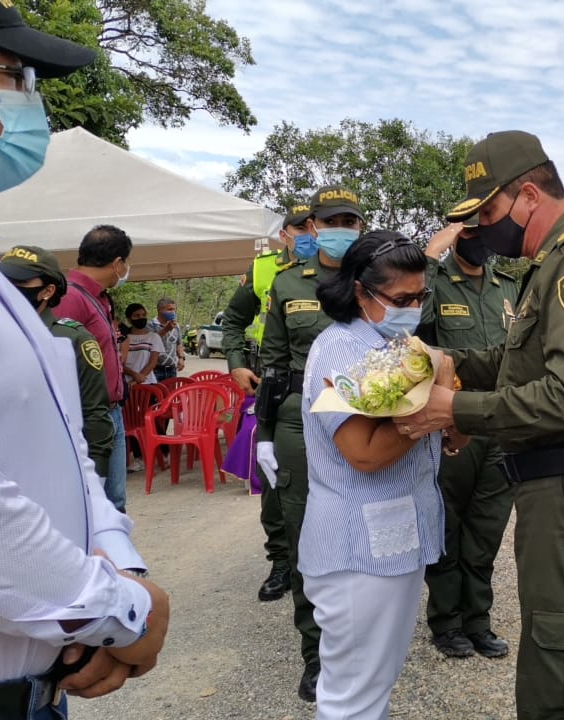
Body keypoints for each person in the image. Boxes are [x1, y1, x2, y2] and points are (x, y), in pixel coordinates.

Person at [0, 3, 170, 717]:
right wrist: (125, 614)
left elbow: (64, 446)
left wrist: (119, 569)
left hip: (31, 684)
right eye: (10, 73)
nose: (31, 100)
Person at [397, 130, 564, 719]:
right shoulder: (549, 263)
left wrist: (452, 409)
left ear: (528, 195)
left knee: (563, 683)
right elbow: (517, 361)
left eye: (487, 211)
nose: (481, 228)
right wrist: (448, 364)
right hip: (559, 497)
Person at [302, 231, 451, 719]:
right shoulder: (340, 350)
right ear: (362, 292)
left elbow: (443, 430)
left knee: (372, 686)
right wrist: (435, 404)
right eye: (402, 299)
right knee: (353, 696)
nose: (414, 308)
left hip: (389, 542)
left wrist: (444, 413)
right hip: (356, 551)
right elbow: (362, 453)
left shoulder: (398, 343)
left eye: (420, 296)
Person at [256, 184, 366, 702]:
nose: (340, 228)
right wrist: (262, 434)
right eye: (331, 220)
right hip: (299, 420)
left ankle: (362, 640)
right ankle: (316, 655)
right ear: (313, 227)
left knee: (364, 530)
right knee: (305, 536)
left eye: (351, 220)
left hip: (365, 416)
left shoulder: (372, 278)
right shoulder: (285, 284)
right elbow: (272, 367)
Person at [417, 221, 518, 659]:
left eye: (486, 233)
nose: (479, 242)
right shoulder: (436, 283)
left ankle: (478, 620)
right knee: (447, 526)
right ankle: (446, 622)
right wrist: (429, 257)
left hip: (500, 424)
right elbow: (412, 326)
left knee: (487, 528)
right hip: (451, 424)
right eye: (470, 233)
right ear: (456, 238)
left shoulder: (511, 287)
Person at [221, 198, 314, 603]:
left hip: (323, 382)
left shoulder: (340, 270)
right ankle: (281, 561)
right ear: (285, 235)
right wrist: (237, 364)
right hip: (271, 380)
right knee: (274, 474)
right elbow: (234, 321)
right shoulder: (262, 270)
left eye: (314, 226)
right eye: (300, 228)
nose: (309, 234)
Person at [0, 245, 115, 481]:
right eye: (3, 279)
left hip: (58, 466)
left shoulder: (71, 339)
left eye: (18, 281)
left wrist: (96, 475)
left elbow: (94, 412)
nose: (6, 288)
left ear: (47, 291)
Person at [57, 223, 134, 513]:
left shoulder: (100, 298)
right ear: (117, 263)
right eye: (125, 262)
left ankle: (117, 558)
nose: (126, 269)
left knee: (115, 503)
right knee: (95, 506)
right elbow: (60, 358)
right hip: (89, 417)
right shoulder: (69, 298)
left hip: (111, 412)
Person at [149, 298, 185, 382]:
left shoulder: (176, 326)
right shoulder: (151, 325)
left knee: (171, 394)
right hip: (155, 369)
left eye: (174, 309)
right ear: (160, 310)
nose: (172, 312)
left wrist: (181, 358)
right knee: (156, 394)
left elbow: (179, 343)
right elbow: (151, 342)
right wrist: (166, 329)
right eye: (169, 309)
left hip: (171, 369)